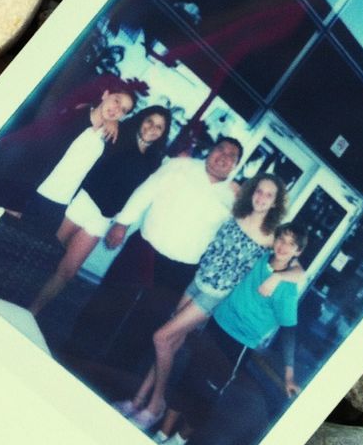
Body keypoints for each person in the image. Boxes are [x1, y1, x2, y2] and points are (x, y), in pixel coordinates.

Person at [60, 137, 243, 379]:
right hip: (145, 247)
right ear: (211, 151)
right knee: (111, 297)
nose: (224, 157)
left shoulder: (235, 198)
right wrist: (122, 223)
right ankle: (76, 350)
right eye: (221, 149)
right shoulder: (180, 166)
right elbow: (146, 190)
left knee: (149, 318)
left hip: (182, 267)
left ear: (235, 165)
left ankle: (115, 370)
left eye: (232, 156)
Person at [117, 174, 289, 430]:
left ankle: (155, 405)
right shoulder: (238, 212)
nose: (261, 198)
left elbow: (295, 267)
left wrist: (278, 279)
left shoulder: (272, 237)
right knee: (172, 342)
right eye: (259, 191)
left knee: (161, 338)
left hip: (216, 296)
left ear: (276, 203)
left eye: (269, 195)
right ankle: (138, 399)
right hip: (198, 280)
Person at [0, 82, 136, 302]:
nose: (117, 109)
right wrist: (17, 199)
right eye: (116, 100)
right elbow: (35, 155)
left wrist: (113, 122)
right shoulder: (73, 117)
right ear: (105, 94)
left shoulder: (107, 140)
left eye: (123, 110)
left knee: (21, 259)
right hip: (33, 195)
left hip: (57, 207)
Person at [153, 224, 306, 445]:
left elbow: (289, 330)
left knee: (206, 393)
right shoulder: (262, 257)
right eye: (281, 239)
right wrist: (280, 273)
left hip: (239, 343)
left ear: (298, 252)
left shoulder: (288, 289)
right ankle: (162, 434)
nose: (283, 246)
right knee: (188, 378)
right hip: (217, 324)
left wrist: (288, 374)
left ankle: (180, 439)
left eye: (291, 244)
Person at [29, 105, 172, 319]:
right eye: (150, 121)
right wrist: (112, 122)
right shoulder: (121, 133)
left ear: (163, 134)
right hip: (84, 201)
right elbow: (95, 115)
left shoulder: (155, 160)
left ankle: (32, 310)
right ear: (142, 119)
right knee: (46, 251)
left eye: (159, 127)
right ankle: (15, 288)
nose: (152, 128)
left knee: (68, 271)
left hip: (104, 218)